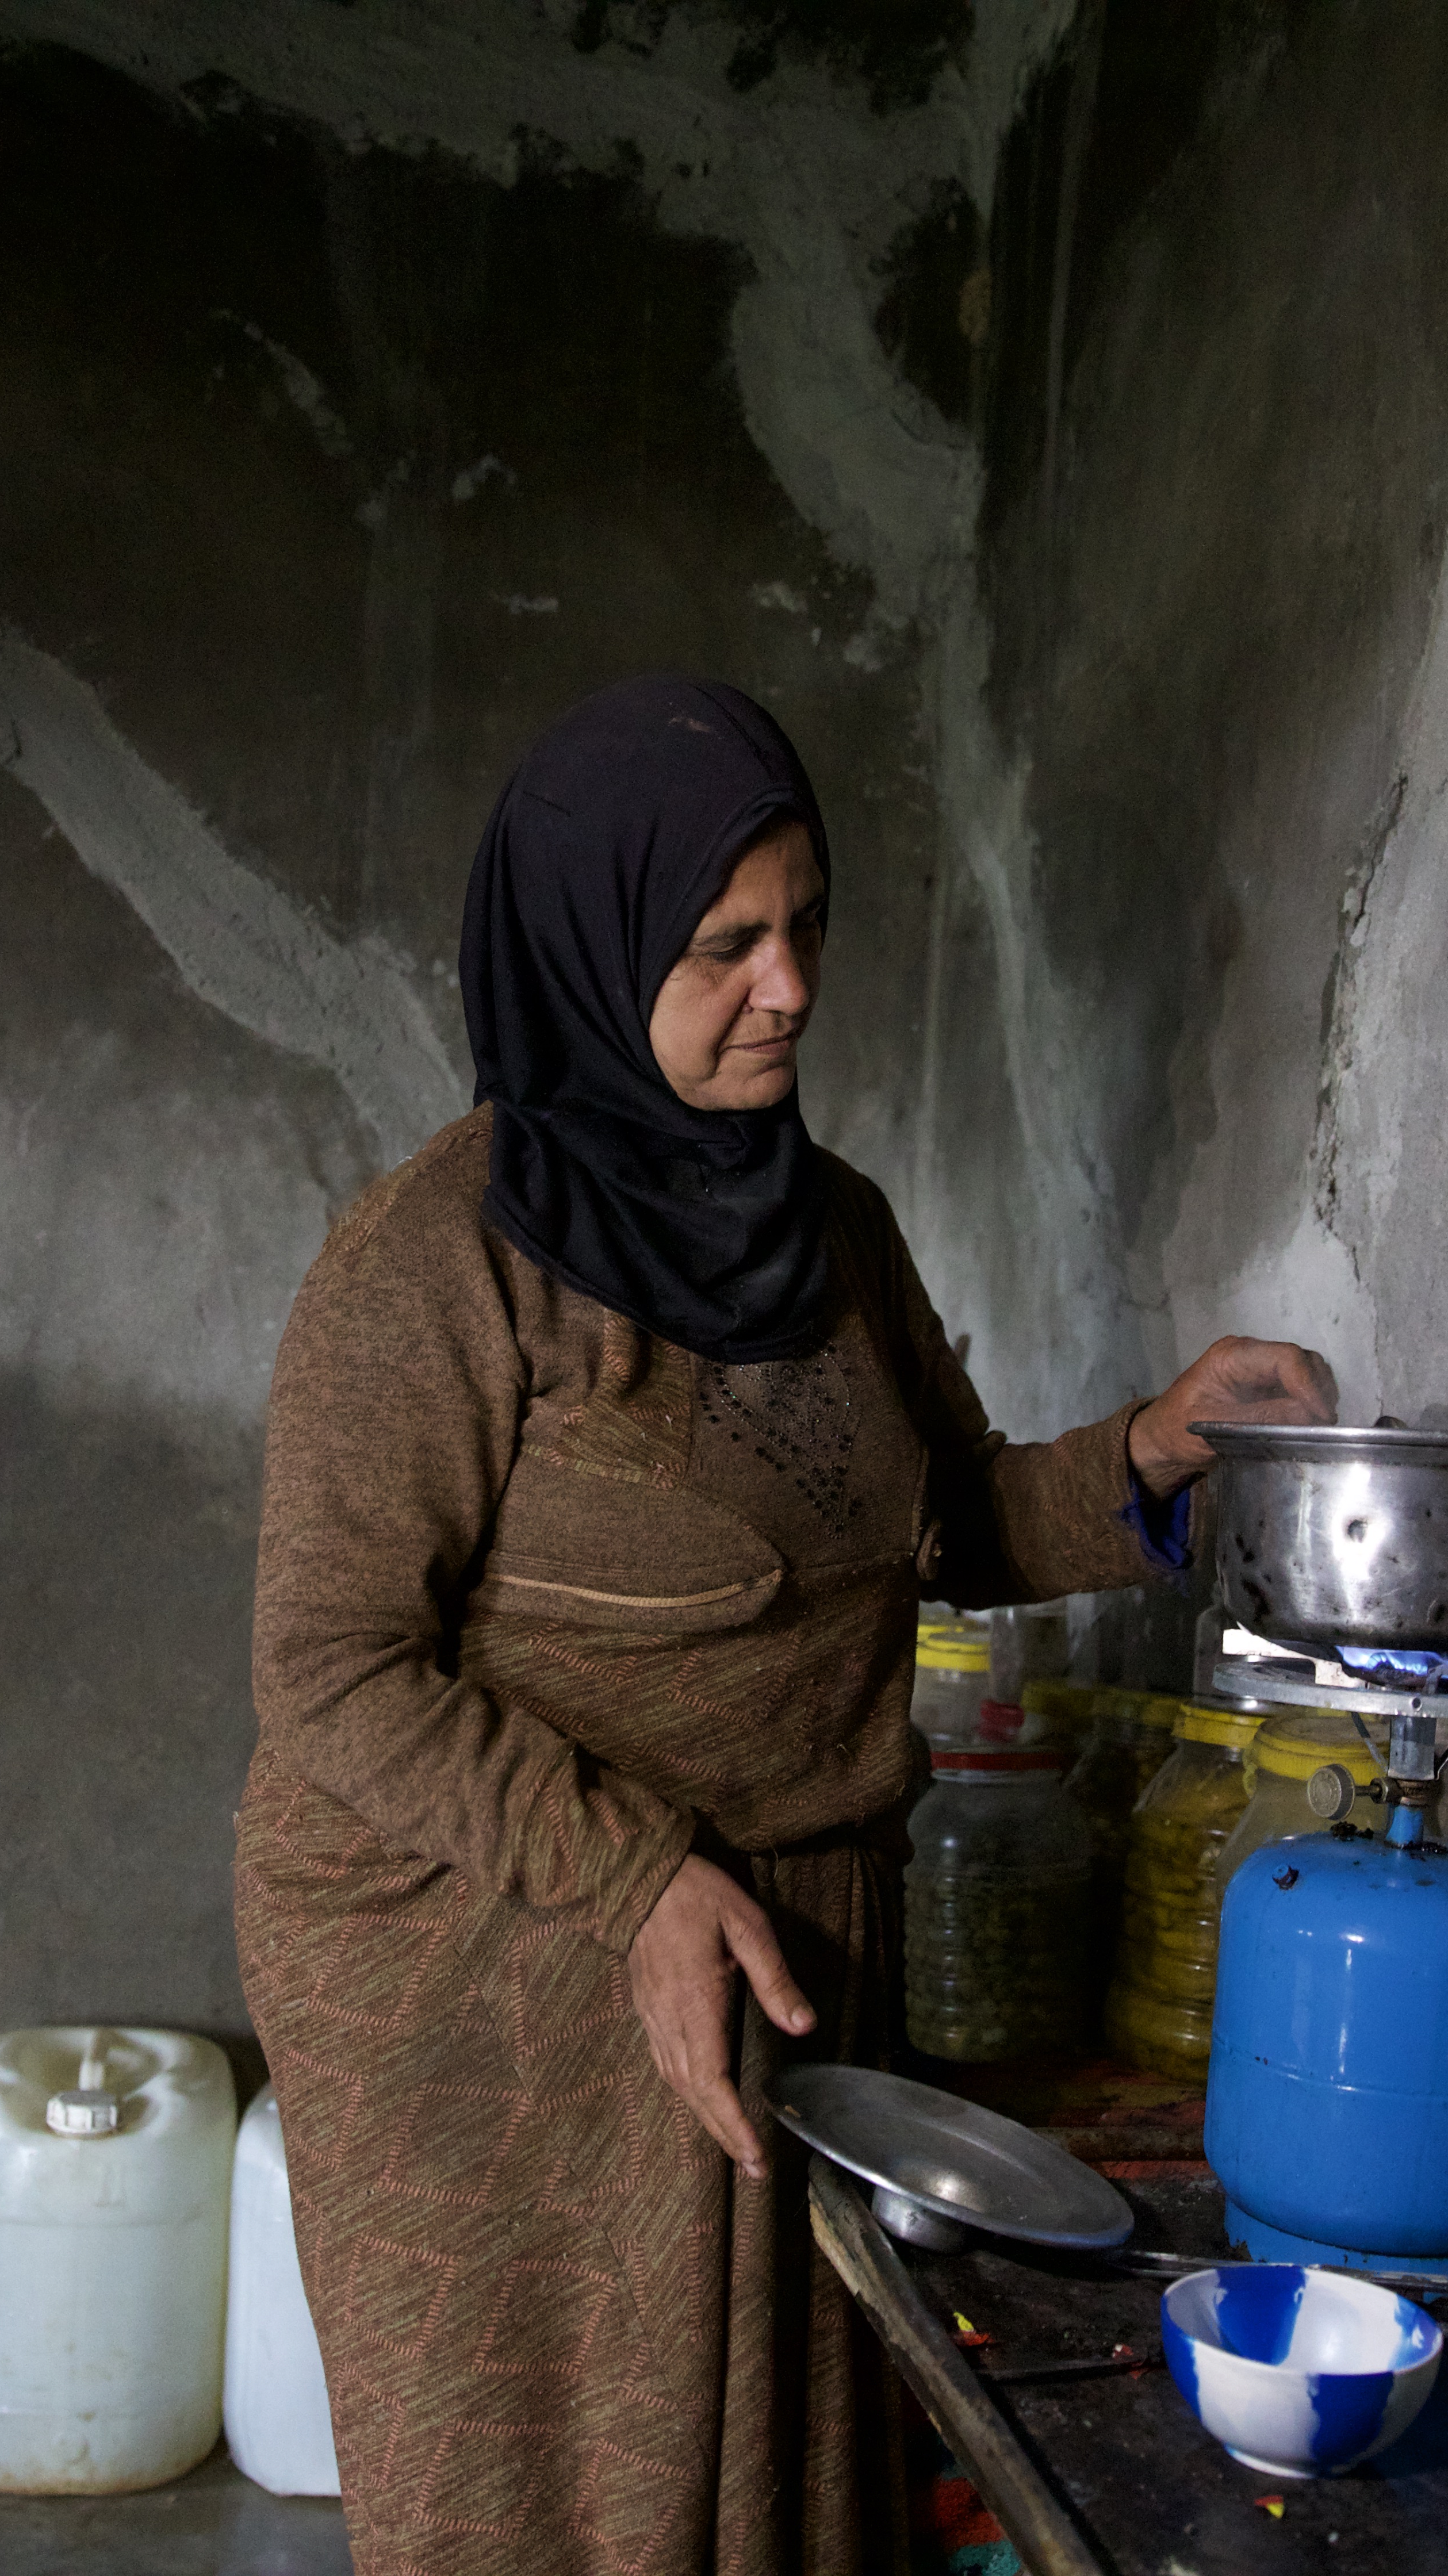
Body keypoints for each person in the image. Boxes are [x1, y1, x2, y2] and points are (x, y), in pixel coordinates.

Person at [239, 676, 1333, 2576]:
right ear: (592, 953)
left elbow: (939, 1518)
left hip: (799, 1941)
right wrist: (634, 1881)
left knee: (788, 2478)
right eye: (726, 944)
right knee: (567, 2489)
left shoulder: (831, 1231)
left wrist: (1154, 1447)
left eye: (809, 924)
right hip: (496, 1964)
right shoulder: (434, 1271)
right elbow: (330, 1670)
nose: (793, 988)